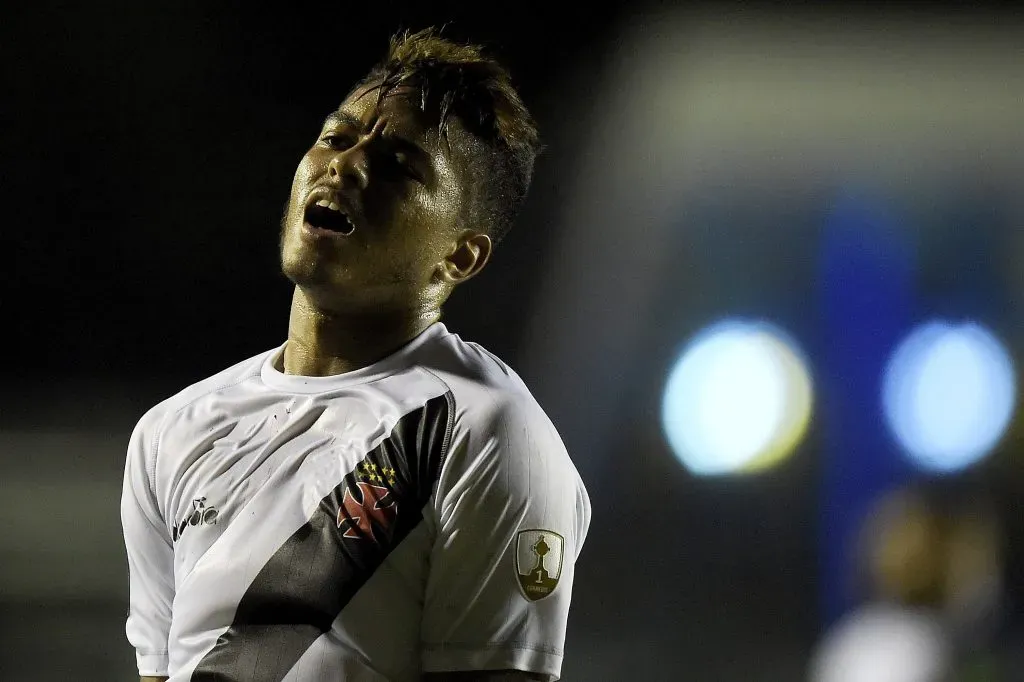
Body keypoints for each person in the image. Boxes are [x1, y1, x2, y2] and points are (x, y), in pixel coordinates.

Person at [121, 27, 591, 682]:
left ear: (459, 256)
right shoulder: (171, 432)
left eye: (398, 165)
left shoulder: (484, 432)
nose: (344, 165)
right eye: (337, 137)